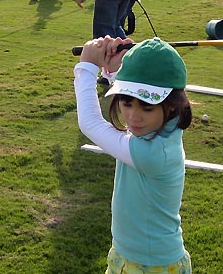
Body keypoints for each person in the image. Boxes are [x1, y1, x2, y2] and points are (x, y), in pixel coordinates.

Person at [74, 36, 192, 274]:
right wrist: (118, 68)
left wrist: (87, 66)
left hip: (153, 265)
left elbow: (90, 123)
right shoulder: (163, 125)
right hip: (127, 254)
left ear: (171, 105)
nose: (133, 118)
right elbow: (137, 92)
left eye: (147, 107)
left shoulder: (155, 155)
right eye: (125, 104)